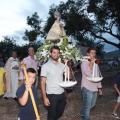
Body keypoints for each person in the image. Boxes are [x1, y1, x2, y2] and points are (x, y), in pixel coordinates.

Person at [40, 46, 69, 120]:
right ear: (50, 53)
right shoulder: (45, 66)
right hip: (51, 95)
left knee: (60, 113)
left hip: (61, 93)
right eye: (54, 52)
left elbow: (68, 77)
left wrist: (67, 65)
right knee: (51, 115)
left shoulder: (62, 65)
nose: (56, 55)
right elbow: (42, 83)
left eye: (58, 53)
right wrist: (44, 98)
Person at [77, 48, 102, 120]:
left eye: (94, 53)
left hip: (95, 88)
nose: (93, 54)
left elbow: (98, 76)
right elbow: (87, 73)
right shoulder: (84, 63)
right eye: (92, 53)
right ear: (88, 53)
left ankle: (81, 113)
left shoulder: (96, 64)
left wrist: (99, 88)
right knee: (87, 107)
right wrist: (91, 63)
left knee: (92, 105)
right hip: (87, 88)